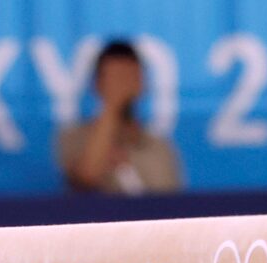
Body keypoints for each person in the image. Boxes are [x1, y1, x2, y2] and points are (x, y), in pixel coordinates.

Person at [54, 38, 185, 195]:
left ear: (142, 83)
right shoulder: (72, 137)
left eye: (128, 76)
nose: (121, 84)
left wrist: (128, 164)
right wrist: (112, 104)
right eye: (114, 77)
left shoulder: (158, 145)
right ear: (97, 83)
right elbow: (85, 177)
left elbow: (169, 201)